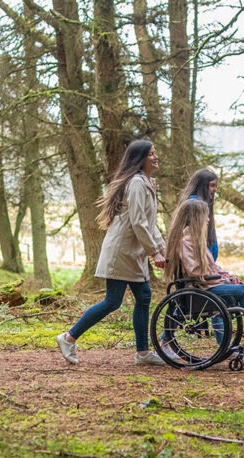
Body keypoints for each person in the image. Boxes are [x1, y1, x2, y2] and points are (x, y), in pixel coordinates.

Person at [55, 140, 168, 366]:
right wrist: (154, 252)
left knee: (143, 297)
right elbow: (138, 221)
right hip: (121, 252)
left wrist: (161, 247)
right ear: (140, 159)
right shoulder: (136, 183)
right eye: (151, 154)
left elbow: (149, 221)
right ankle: (68, 337)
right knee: (112, 301)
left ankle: (143, 353)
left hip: (131, 252)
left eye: (155, 153)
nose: (156, 157)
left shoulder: (147, 182)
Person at [164, 199, 244, 347]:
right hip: (200, 289)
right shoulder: (187, 240)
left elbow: (211, 266)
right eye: (205, 216)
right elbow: (195, 270)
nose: (208, 219)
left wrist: (228, 277)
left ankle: (243, 335)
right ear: (196, 217)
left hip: (205, 286)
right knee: (243, 291)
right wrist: (222, 279)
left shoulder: (194, 239)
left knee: (237, 288)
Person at [179, 169, 244, 338]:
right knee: (237, 292)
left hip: (207, 277)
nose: (215, 190)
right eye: (212, 186)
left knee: (225, 297)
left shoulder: (199, 216)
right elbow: (196, 269)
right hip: (203, 283)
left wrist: (223, 275)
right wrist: (219, 278)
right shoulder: (193, 214)